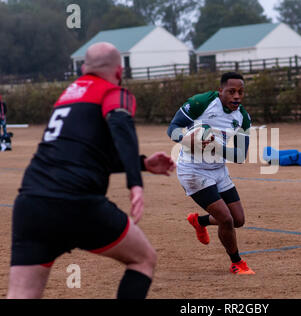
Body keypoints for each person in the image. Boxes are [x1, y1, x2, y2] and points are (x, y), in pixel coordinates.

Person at [7, 42, 176, 299]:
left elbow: (82, 155)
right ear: (119, 72)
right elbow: (120, 124)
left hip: (31, 203)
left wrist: (141, 163)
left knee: (21, 294)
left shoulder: (67, 96)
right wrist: (135, 182)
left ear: (84, 68)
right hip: (76, 203)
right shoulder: (113, 92)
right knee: (143, 259)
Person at [167, 72, 254, 275]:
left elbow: (240, 156)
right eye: (231, 91)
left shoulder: (243, 117)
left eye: (240, 92)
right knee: (226, 220)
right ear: (220, 90)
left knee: (238, 220)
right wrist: (189, 139)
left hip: (219, 171)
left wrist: (215, 146)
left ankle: (200, 221)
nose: (237, 96)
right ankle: (237, 263)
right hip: (193, 171)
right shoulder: (202, 102)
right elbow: (172, 129)